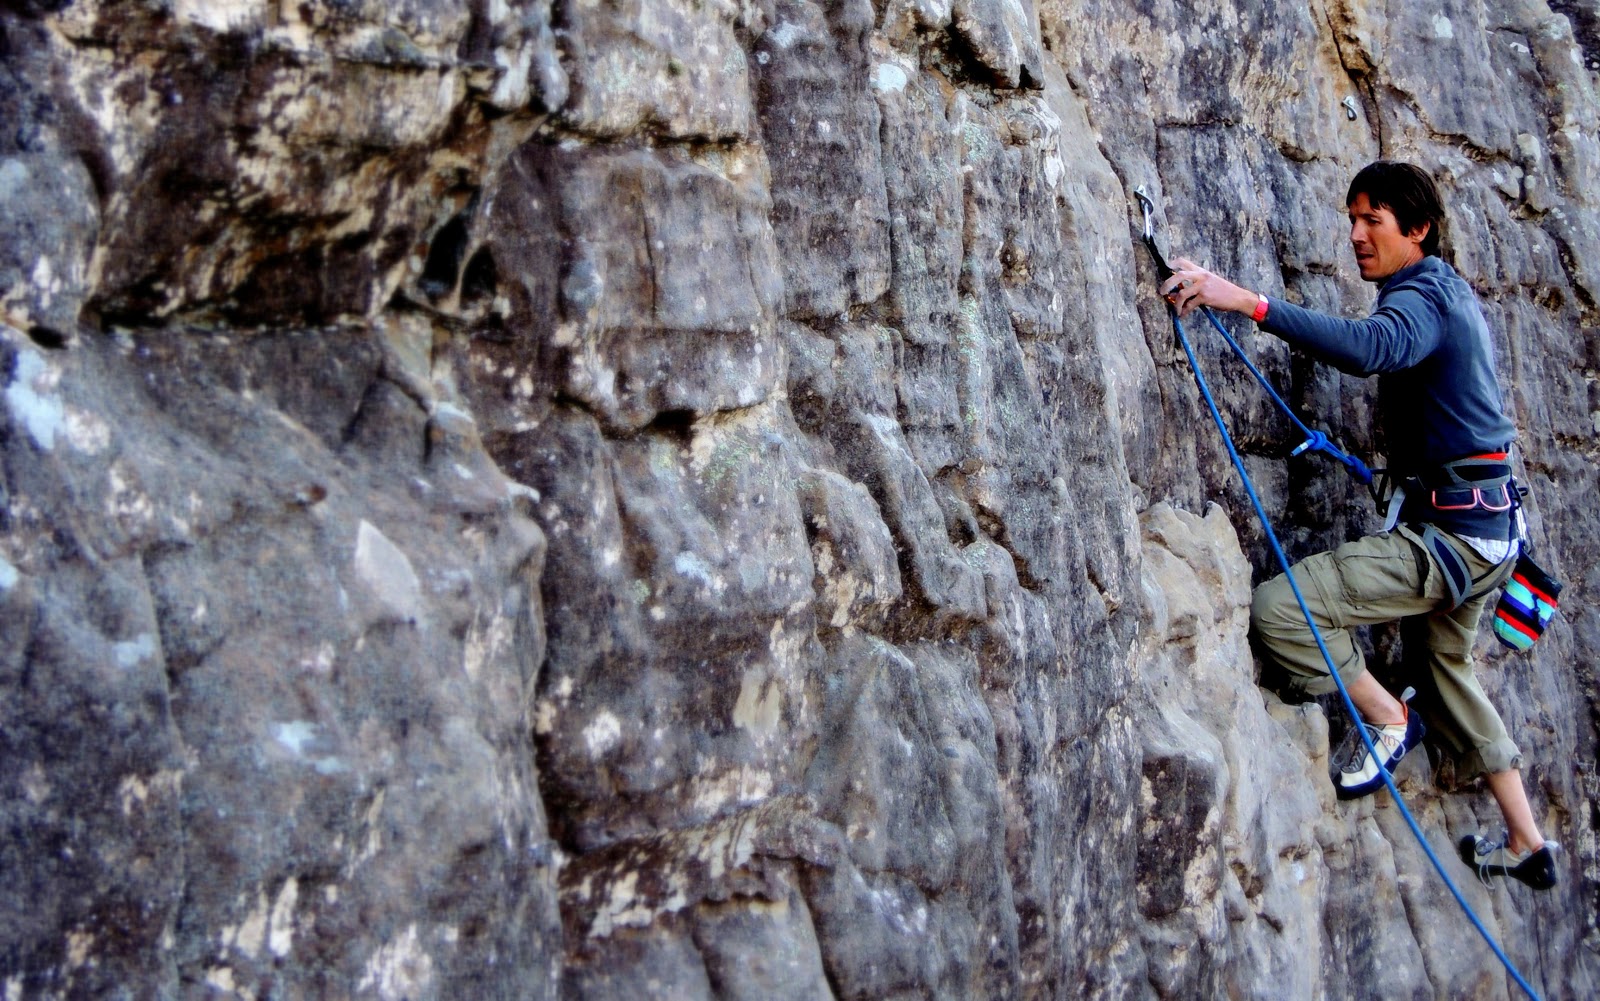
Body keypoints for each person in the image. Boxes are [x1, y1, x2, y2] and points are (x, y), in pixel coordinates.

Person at [1158, 161, 1557, 890]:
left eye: (1373, 220)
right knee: (1446, 672)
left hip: (1453, 539)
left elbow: (1376, 349)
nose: (1355, 235)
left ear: (1418, 229)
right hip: (1490, 530)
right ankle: (1528, 838)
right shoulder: (1449, 292)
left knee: (1285, 609)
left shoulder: (1424, 295)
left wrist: (1244, 300)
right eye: (1352, 218)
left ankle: (1386, 719)